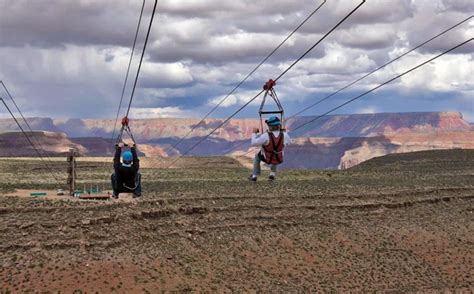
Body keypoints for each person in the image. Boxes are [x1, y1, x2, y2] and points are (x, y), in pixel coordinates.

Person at [249, 116, 291, 181]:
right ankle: (272, 174)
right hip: (278, 157)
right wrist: (284, 134)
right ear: (279, 125)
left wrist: (254, 133)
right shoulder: (284, 135)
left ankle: (254, 175)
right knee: (276, 153)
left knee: (257, 157)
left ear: (270, 126)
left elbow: (253, 143)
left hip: (267, 158)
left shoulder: (266, 135)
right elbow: (289, 143)